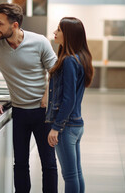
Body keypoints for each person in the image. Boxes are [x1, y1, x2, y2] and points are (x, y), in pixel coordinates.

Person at [0, 3, 58, 193]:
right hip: (19, 113)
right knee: (20, 163)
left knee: (48, 163)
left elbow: (55, 72)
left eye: (0, 24)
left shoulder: (40, 42)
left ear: (14, 25)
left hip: (43, 113)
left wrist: (47, 95)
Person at [46, 17, 93, 193]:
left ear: (69, 34)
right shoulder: (81, 58)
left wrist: (56, 127)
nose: (55, 32)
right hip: (76, 123)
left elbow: (68, 99)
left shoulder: (68, 61)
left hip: (66, 126)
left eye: (58, 29)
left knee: (70, 175)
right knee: (76, 173)